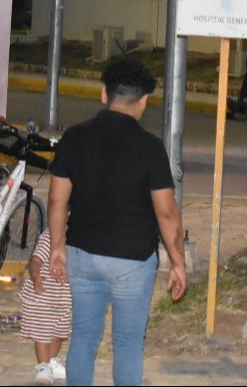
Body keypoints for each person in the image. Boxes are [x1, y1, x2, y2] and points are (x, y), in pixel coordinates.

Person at [47, 57, 187, 387]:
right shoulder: (151, 148)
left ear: (103, 94)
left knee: (82, 338)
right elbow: (166, 213)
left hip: (82, 254)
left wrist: (56, 246)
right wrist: (178, 263)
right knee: (126, 344)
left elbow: (56, 200)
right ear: (143, 102)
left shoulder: (75, 138)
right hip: (132, 261)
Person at [21, 229, 70, 385]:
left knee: (59, 332)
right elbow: (35, 260)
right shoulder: (51, 237)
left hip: (63, 297)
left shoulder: (80, 238)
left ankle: (50, 362)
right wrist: (35, 276)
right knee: (42, 333)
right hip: (43, 295)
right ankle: (43, 365)